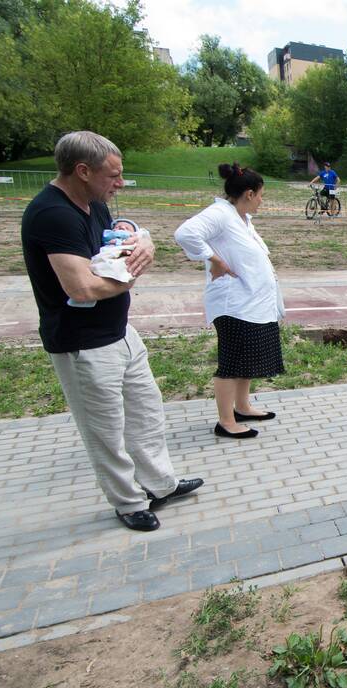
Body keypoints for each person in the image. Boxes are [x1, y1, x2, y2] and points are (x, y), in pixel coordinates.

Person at [21, 130, 203, 532]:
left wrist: (144, 247)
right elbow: (82, 286)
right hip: (82, 346)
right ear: (82, 171)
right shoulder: (52, 214)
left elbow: (118, 251)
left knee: (146, 412)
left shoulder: (95, 204)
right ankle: (128, 501)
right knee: (105, 430)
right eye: (113, 176)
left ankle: (160, 484)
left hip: (120, 332)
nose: (120, 183)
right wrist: (132, 276)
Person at [174, 162, 286, 440]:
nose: (262, 200)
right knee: (232, 362)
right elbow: (185, 233)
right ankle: (226, 421)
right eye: (261, 195)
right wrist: (214, 260)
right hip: (233, 305)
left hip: (251, 303)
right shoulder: (220, 214)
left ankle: (243, 407)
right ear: (249, 193)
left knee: (245, 360)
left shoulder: (241, 218)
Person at [65, 218, 143, 308]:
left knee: (115, 268)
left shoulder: (132, 237)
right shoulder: (108, 235)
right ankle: (86, 299)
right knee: (97, 267)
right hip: (106, 254)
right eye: (118, 227)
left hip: (120, 254)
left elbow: (136, 242)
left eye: (127, 228)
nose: (122, 227)